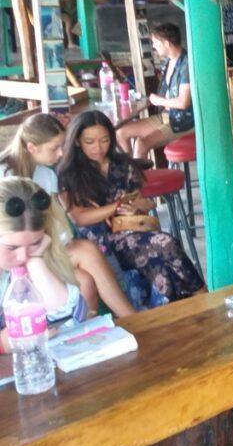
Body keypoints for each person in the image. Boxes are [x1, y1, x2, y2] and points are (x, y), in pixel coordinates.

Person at [0, 177, 82, 446]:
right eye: (12, 247)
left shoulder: (29, 262)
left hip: (21, 373)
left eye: (34, 243)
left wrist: (35, 261)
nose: (23, 254)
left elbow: (64, 310)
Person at [59, 111, 204, 303]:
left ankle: (181, 304)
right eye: (90, 141)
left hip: (130, 231)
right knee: (164, 244)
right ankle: (200, 296)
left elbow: (145, 204)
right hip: (99, 243)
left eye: (104, 140)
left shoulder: (122, 165)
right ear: (77, 141)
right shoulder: (69, 173)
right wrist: (117, 206)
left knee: (163, 252)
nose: (98, 147)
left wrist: (136, 206)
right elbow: (80, 217)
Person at [0, 114, 136, 318]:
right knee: (85, 270)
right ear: (31, 147)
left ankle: (126, 320)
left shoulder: (46, 175)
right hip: (21, 256)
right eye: (54, 148)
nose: (61, 153)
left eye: (63, 146)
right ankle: (130, 319)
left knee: (86, 265)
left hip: (44, 246)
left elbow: (56, 222)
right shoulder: (5, 176)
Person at [116, 23, 193, 159]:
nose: (153, 46)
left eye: (156, 42)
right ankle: (128, 172)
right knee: (121, 132)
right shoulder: (168, 62)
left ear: (167, 43)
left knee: (141, 144)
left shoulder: (186, 64)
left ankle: (137, 179)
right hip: (165, 116)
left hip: (182, 121)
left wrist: (158, 100)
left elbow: (183, 103)